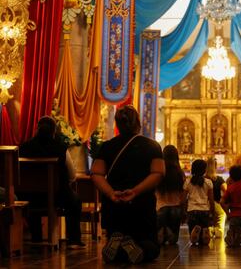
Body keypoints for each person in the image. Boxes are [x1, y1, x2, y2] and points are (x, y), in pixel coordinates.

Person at [91, 105, 165, 264]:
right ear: (138, 123)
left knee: (117, 247)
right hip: (141, 205)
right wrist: (135, 191)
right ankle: (138, 247)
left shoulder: (107, 146)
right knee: (151, 246)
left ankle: (117, 245)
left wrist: (111, 193)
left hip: (114, 206)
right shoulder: (152, 146)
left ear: (117, 125)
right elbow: (158, 173)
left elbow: (96, 173)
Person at [19, 116, 84, 249]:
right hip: (57, 196)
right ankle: (74, 240)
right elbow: (72, 176)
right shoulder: (60, 148)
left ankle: (36, 237)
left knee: (32, 198)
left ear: (37, 129)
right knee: (75, 201)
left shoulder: (23, 148)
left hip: (28, 196)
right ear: (54, 132)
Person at [156, 145, 185, 245]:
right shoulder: (180, 173)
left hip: (161, 207)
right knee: (174, 241)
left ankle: (163, 230)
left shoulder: (160, 172)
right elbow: (183, 193)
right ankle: (169, 233)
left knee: (160, 240)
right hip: (175, 208)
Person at [183, 159, 215, 245]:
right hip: (204, 210)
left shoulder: (188, 182)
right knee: (203, 240)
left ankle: (194, 234)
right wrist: (212, 211)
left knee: (193, 238)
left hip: (192, 210)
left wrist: (184, 211)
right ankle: (204, 234)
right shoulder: (208, 182)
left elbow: (183, 198)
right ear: (204, 170)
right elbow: (211, 199)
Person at [205, 157, 226, 238]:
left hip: (204, 204)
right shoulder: (219, 179)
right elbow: (227, 191)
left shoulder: (203, 179)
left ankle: (210, 231)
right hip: (216, 204)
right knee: (221, 217)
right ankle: (218, 233)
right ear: (215, 167)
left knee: (209, 221)